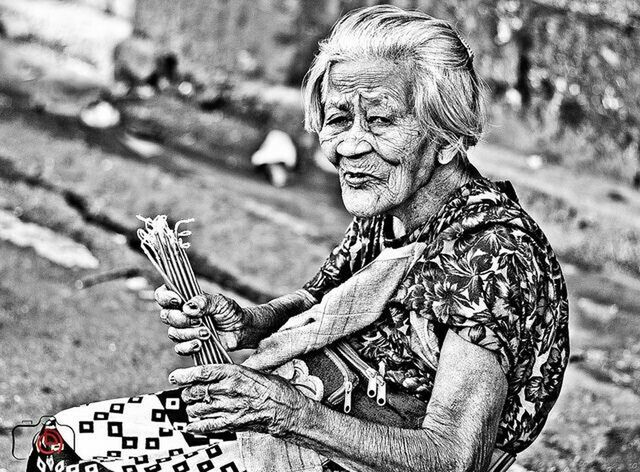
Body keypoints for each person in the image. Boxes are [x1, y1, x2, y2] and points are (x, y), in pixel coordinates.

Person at [27, 5, 568, 472]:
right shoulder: (394, 207)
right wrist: (247, 321)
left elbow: (455, 457)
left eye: (379, 122)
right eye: (338, 119)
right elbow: (320, 301)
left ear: (447, 138)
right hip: (306, 418)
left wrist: (289, 412)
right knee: (62, 443)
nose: (348, 147)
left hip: (348, 446)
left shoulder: (491, 255)